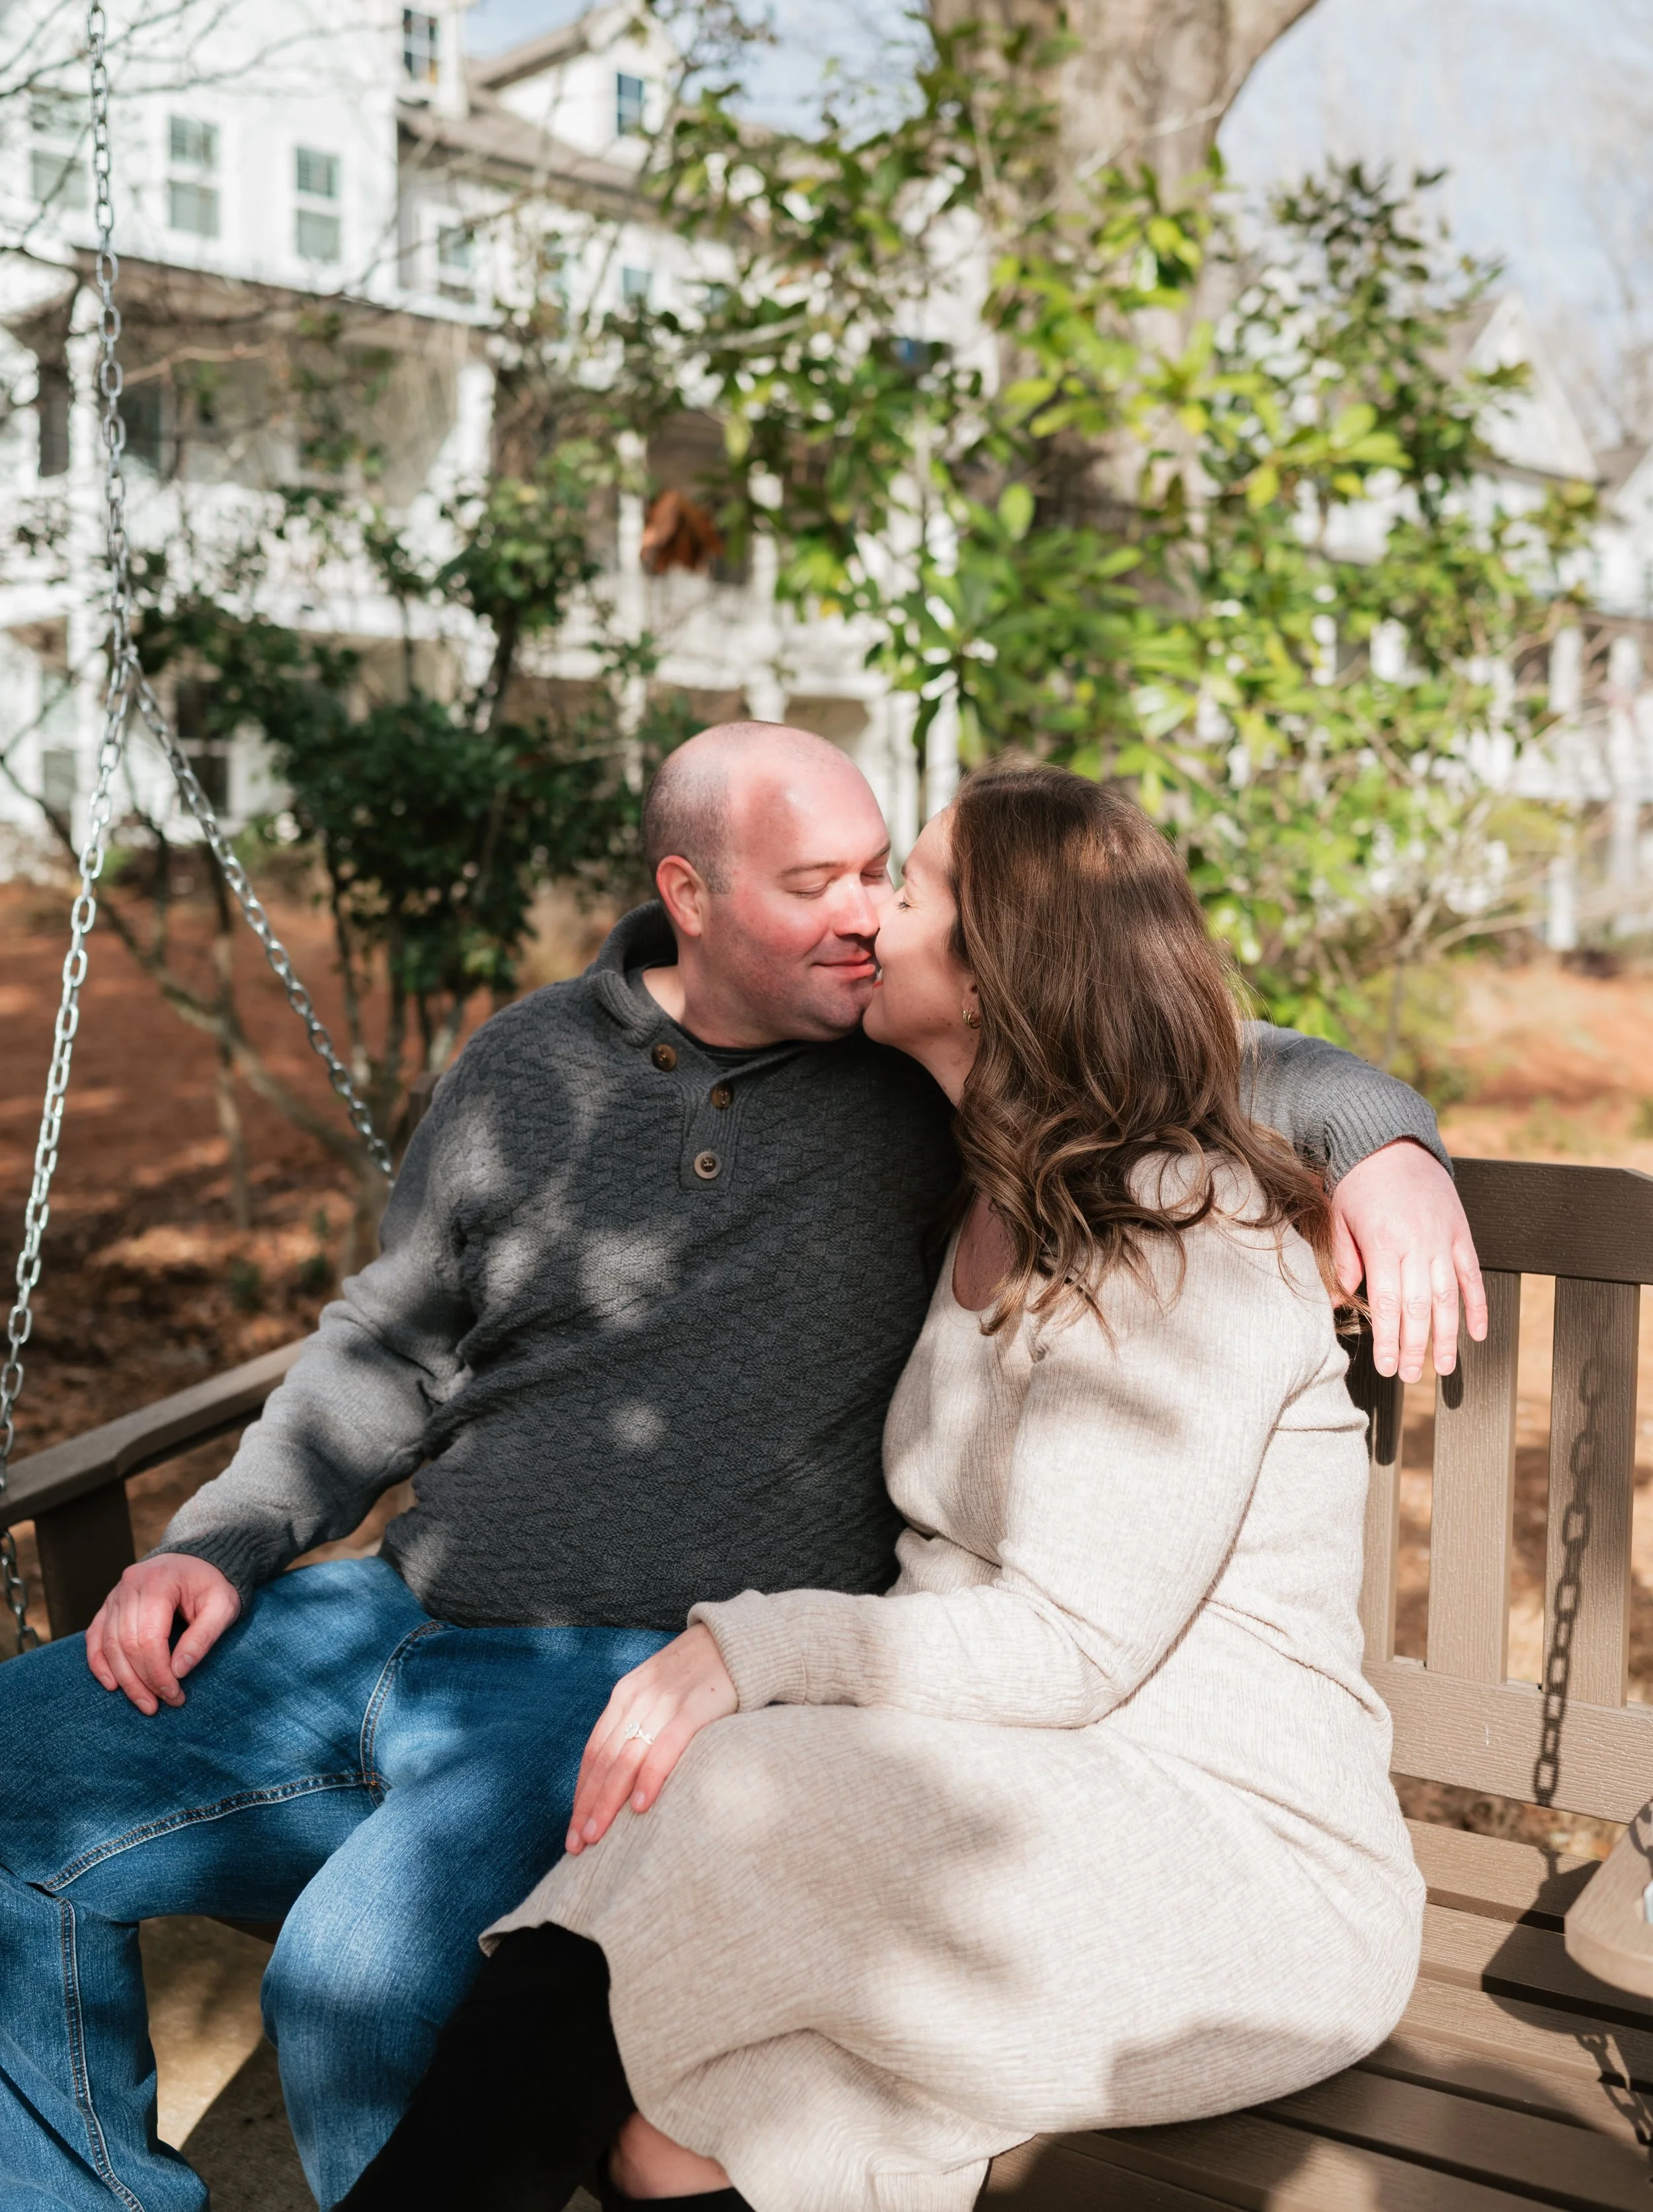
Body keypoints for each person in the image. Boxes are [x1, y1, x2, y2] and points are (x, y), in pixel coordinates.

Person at [0, 727, 1474, 2212]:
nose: (860, 913)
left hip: (654, 1677)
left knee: (363, 1974)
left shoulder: (937, 1104)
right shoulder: (533, 1067)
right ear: (686, 893)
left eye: (889, 877)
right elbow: (386, 1344)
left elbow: (1167, 1039)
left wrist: (1380, 1143)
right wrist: (226, 1535)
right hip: (400, 1615)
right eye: (819, 881)